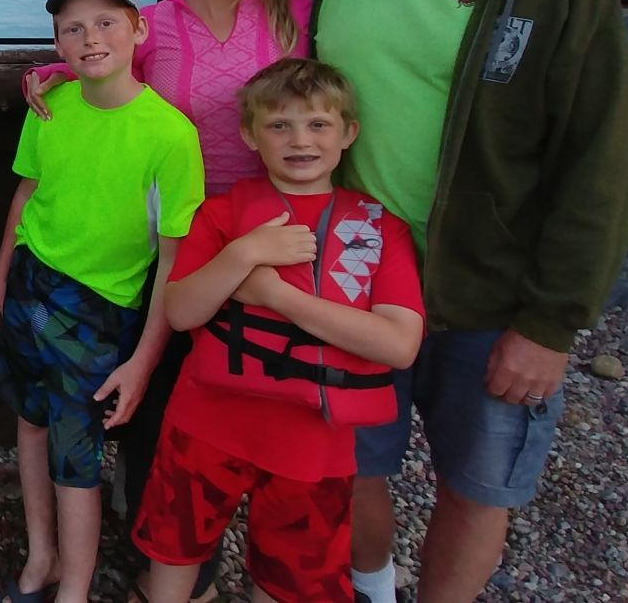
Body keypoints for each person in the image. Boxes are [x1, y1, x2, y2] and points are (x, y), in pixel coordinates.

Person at [294, 0, 628, 603]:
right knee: (348, 469)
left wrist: (550, 323)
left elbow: (601, 156)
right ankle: (374, 588)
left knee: (480, 486)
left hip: (492, 294)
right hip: (358, 283)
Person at [21, 0, 310, 602]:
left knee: (257, 404)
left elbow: (325, 105)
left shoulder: (299, 13)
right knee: (169, 404)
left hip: (264, 232)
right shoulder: (154, 21)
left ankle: (267, 561)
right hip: (175, 238)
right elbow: (101, 69)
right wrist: (51, 73)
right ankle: (170, 562)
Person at [131, 58, 425, 603]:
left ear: (347, 134)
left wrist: (275, 295)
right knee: (175, 551)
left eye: (317, 125)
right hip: (207, 422)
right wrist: (243, 254)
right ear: (250, 134)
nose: (300, 141)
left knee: (291, 580)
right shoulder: (223, 215)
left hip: (314, 441)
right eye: (279, 125)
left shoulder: (379, 228)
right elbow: (182, 311)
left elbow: (399, 344)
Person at [0, 0, 205, 603]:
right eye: (72, 28)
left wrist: (141, 362)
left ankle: (75, 590)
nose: (90, 38)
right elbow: (26, 196)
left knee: (77, 459)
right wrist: (1, 277)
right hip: (30, 285)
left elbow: (171, 259)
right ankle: (41, 557)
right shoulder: (51, 105)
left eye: (105, 22)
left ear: (138, 29)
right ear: (57, 44)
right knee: (29, 422)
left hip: (101, 310)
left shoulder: (170, 135)